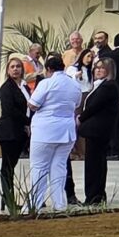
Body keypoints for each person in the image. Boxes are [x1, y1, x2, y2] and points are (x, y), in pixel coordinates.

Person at [27, 53, 79, 213]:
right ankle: (59, 203)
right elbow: (77, 104)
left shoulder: (46, 83)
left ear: (48, 69)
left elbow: (33, 104)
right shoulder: (74, 84)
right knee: (59, 167)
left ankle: (35, 203)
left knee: (39, 167)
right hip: (67, 130)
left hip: (45, 130)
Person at [77, 51, 119, 206]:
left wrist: (80, 118)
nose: (99, 70)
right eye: (97, 68)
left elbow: (94, 106)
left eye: (102, 68)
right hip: (96, 131)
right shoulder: (99, 85)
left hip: (98, 131)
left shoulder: (108, 86)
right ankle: (97, 194)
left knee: (94, 165)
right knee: (96, 163)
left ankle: (93, 196)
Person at [0, 54, 31, 208]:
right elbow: (10, 110)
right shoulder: (6, 89)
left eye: (18, 66)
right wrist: (28, 122)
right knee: (7, 167)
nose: (16, 69)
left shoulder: (24, 86)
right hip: (8, 131)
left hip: (20, 131)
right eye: (12, 67)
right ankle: (8, 199)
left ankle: (7, 199)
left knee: (11, 166)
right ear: (8, 70)